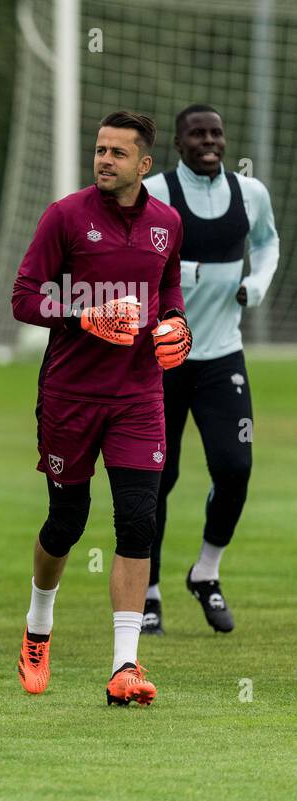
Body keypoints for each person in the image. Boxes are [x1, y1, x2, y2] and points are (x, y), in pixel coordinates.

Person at [11, 111, 191, 706]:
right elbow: (24, 298)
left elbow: (168, 287)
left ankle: (125, 667)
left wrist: (176, 322)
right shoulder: (65, 215)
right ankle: (38, 628)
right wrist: (81, 316)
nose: (104, 159)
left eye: (118, 152)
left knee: (139, 520)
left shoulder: (168, 223)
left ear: (145, 164)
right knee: (67, 520)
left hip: (139, 397)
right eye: (100, 149)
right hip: (70, 396)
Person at [142, 105, 280, 635]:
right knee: (157, 477)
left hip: (223, 356)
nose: (208, 141)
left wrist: (257, 284)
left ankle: (206, 571)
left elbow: (267, 243)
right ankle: (148, 591)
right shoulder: (156, 193)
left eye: (216, 133)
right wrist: (185, 274)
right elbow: (131, 255)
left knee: (235, 467)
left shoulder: (251, 193)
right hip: (162, 358)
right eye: (197, 134)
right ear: (178, 144)